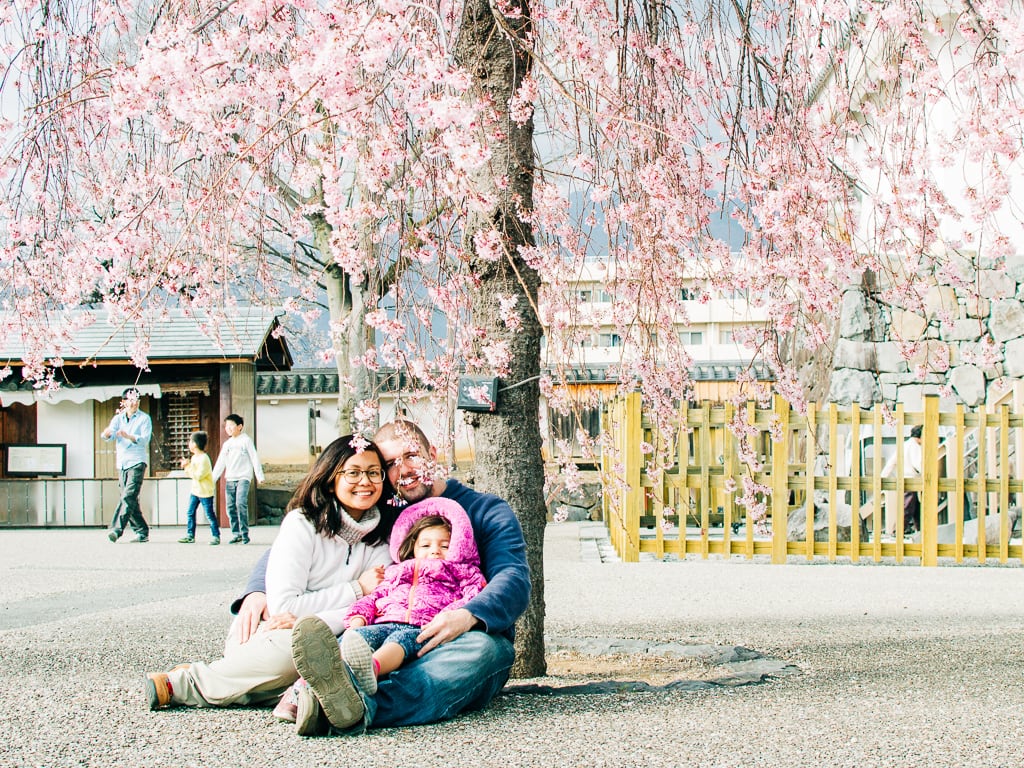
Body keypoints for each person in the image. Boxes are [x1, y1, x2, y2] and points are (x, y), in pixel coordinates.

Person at [235, 419, 530, 736]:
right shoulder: (387, 513)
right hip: (383, 632)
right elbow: (301, 535)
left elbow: (513, 578)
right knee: (344, 642)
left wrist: (468, 614)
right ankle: (340, 698)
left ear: (432, 453)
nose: (403, 470)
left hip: (453, 638)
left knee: (484, 653)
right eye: (390, 463)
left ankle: (344, 706)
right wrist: (256, 591)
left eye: (412, 455)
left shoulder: (485, 509)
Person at [144, 436, 396, 712]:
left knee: (353, 654)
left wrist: (313, 620)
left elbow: (375, 608)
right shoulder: (302, 525)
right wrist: (356, 589)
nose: (365, 482)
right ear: (330, 477)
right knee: (299, 655)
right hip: (275, 633)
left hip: (331, 631)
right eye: (353, 472)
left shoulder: (381, 538)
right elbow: (285, 607)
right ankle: (186, 683)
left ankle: (271, 687)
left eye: (374, 473)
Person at [329, 496, 488, 699]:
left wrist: (448, 614)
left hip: (422, 627)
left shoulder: (462, 571)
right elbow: (378, 594)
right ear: (413, 546)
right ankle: (327, 675)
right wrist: (358, 617)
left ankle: (370, 670)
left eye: (444, 546)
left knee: (400, 641)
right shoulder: (398, 571)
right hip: (384, 620)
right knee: (358, 636)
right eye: (426, 545)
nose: (434, 551)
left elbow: (473, 595)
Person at [102, 387, 152, 543]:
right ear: (123, 402)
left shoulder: (144, 418)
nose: (134, 403)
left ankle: (117, 530)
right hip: (122, 463)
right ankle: (142, 531)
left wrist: (129, 436)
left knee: (128, 495)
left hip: (137, 461)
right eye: (130, 400)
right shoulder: (118, 419)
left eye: (136, 400)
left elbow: (145, 440)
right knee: (130, 499)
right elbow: (108, 435)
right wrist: (107, 434)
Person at [211, 413, 264, 544]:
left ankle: (245, 533)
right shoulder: (227, 444)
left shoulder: (246, 440)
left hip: (243, 477)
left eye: (231, 425)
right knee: (230, 507)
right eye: (226, 426)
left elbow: (254, 458)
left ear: (239, 427)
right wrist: (212, 478)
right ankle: (236, 533)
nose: (228, 428)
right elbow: (220, 462)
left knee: (240, 503)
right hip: (230, 478)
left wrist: (259, 476)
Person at [178, 431, 220, 545]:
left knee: (209, 514)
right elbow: (192, 474)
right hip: (195, 491)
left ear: (196, 444)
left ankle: (216, 536)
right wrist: (187, 467)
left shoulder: (204, 459)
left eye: (191, 441)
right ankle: (190, 535)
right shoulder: (194, 457)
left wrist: (188, 466)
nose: (189, 444)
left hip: (205, 492)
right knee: (190, 512)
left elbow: (198, 476)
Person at [882, 424, 923, 536]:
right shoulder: (915, 447)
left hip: (902, 478)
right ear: (920, 437)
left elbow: (891, 462)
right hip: (912, 479)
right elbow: (918, 464)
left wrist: (883, 477)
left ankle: (920, 529)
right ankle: (897, 531)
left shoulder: (905, 445)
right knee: (908, 507)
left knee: (915, 507)